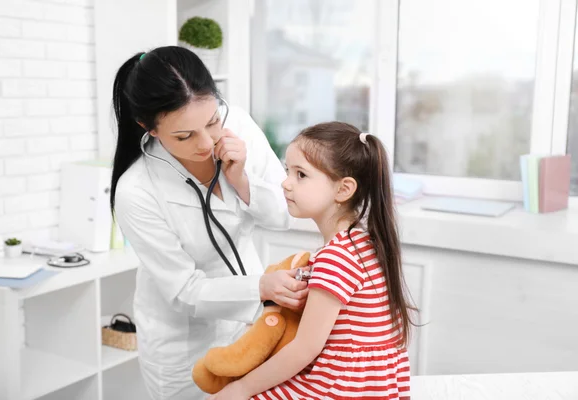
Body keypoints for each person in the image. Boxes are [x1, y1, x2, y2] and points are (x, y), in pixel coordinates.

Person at [110, 46, 309, 400]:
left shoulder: (239, 126)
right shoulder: (137, 190)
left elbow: (284, 214)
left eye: (212, 121)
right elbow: (184, 290)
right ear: (148, 127)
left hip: (253, 324)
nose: (206, 142)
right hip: (182, 343)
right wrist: (261, 288)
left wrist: (242, 180)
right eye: (184, 136)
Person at [210, 122, 415, 400]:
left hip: (346, 387)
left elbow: (305, 349)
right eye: (287, 171)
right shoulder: (363, 242)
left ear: (343, 190)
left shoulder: (337, 256)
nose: (286, 183)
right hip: (370, 385)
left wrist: (241, 388)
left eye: (301, 175)